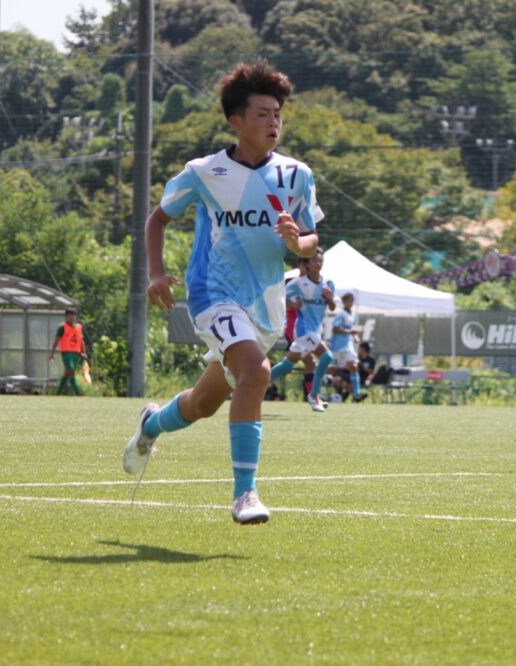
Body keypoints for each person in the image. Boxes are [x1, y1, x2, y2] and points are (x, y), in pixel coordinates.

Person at [122, 59, 323, 525]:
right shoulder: (204, 171)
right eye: (262, 114)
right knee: (256, 370)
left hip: (266, 307)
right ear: (236, 121)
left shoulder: (297, 175)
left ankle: (151, 424)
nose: (273, 122)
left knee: (203, 403)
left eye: (277, 114)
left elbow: (312, 240)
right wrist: (156, 273)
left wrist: (298, 243)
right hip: (213, 295)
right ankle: (244, 494)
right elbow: (157, 219)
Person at [268, 247, 335, 412]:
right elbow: (279, 298)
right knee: (326, 357)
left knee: (287, 365)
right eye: (315, 260)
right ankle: (314, 396)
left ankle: (254, 383)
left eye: (320, 260)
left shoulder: (328, 284)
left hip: (316, 330)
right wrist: (292, 303)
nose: (318, 264)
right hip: (303, 329)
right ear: (307, 264)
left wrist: (330, 298)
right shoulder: (298, 283)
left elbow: (333, 307)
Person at [283, 262, 317, 400]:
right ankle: (313, 396)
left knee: (305, 363)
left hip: (301, 330)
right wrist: (292, 303)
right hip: (295, 331)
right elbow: (285, 303)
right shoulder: (291, 288)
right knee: (310, 362)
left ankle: (312, 395)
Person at [329, 292, 367, 402]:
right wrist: (350, 332)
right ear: (344, 302)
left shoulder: (352, 314)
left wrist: (355, 336)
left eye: (351, 301)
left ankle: (356, 394)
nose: (350, 303)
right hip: (337, 346)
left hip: (347, 346)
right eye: (348, 301)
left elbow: (351, 329)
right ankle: (318, 382)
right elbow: (334, 329)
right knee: (332, 370)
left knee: (354, 366)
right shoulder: (341, 314)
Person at [49, 308, 88, 396]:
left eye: (73, 315)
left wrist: (84, 352)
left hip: (76, 353)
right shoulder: (62, 327)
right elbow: (56, 341)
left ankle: (58, 393)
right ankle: (78, 392)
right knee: (71, 369)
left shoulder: (79, 327)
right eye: (70, 315)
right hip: (67, 352)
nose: (72, 317)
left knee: (67, 373)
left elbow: (81, 341)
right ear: (66, 317)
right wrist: (52, 353)